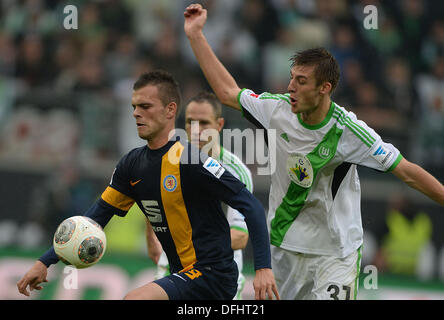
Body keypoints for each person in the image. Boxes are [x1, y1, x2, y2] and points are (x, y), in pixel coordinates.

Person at [184, 3, 444, 300]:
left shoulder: (348, 131)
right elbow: (228, 92)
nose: (290, 86)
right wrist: (195, 36)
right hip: (282, 247)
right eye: (292, 77)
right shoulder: (275, 109)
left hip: (334, 255)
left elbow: (407, 172)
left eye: (301, 81)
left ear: (325, 88)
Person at [17, 70, 279, 300]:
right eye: (134, 106)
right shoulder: (132, 165)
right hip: (180, 274)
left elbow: (252, 206)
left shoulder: (191, 160)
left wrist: (263, 269)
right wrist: (45, 262)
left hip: (212, 274)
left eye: (145, 106)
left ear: (170, 110)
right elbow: (95, 218)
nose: (136, 113)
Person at [146, 91, 252, 300]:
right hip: (174, 268)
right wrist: (152, 239)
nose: (196, 130)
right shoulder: (168, 161)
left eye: (204, 123)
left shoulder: (235, 172)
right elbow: (153, 201)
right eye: (190, 122)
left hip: (219, 275)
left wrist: (191, 244)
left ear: (219, 125)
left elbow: (240, 237)